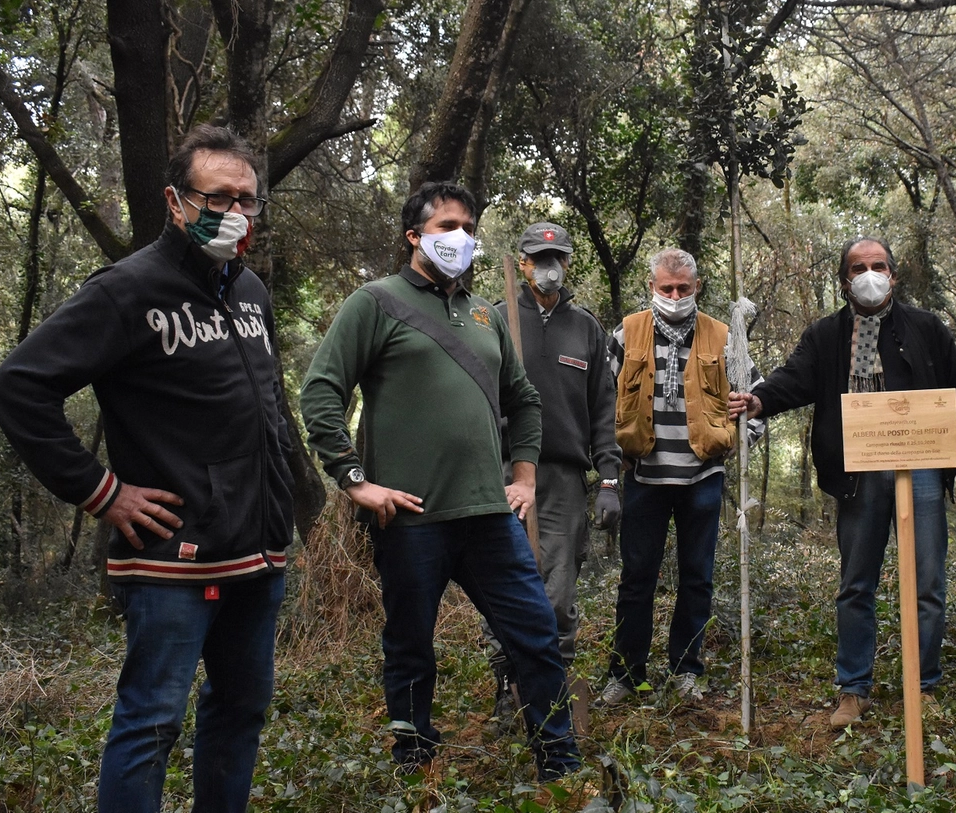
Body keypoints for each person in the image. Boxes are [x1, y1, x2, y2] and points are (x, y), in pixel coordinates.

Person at [0, 124, 293, 813]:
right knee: (151, 723)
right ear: (175, 201)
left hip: (257, 555)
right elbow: (18, 387)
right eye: (218, 196)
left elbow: (267, 410)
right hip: (170, 563)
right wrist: (103, 492)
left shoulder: (250, 293)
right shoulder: (128, 290)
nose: (234, 212)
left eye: (247, 199)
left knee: (240, 712)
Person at [298, 181, 581, 780]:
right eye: (449, 226)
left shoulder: (484, 313)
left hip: (488, 513)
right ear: (415, 236)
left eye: (470, 228)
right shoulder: (374, 302)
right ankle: (413, 759)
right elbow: (321, 390)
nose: (462, 238)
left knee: (535, 634)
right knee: (409, 645)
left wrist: (525, 479)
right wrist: (354, 481)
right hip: (410, 517)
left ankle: (560, 761)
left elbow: (524, 400)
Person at [728, 237, 956, 728]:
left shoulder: (926, 327)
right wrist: (758, 401)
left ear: (893, 275)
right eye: (858, 267)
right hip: (858, 474)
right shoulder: (826, 334)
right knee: (855, 584)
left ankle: (922, 684)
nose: (869, 274)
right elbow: (794, 378)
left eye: (878, 266)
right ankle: (853, 689)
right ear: (845, 279)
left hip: (920, 472)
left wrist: (927, 436)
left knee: (927, 583)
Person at [598, 248, 758, 705]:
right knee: (637, 578)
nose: (673, 296)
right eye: (665, 289)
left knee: (697, 577)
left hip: (702, 479)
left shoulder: (725, 337)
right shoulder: (626, 334)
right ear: (652, 287)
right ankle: (626, 675)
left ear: (697, 287)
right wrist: (610, 462)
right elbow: (601, 402)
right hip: (644, 478)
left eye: (682, 289)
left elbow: (756, 399)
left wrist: (740, 435)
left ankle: (686, 670)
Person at [484, 222, 622, 723]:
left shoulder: (586, 328)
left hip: (562, 478)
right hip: (500, 473)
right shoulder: (493, 320)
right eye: (538, 257)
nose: (548, 266)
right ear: (521, 263)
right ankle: (508, 685)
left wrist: (609, 479)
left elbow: (603, 411)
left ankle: (552, 691)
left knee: (558, 590)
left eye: (557, 257)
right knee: (504, 584)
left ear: (566, 263)